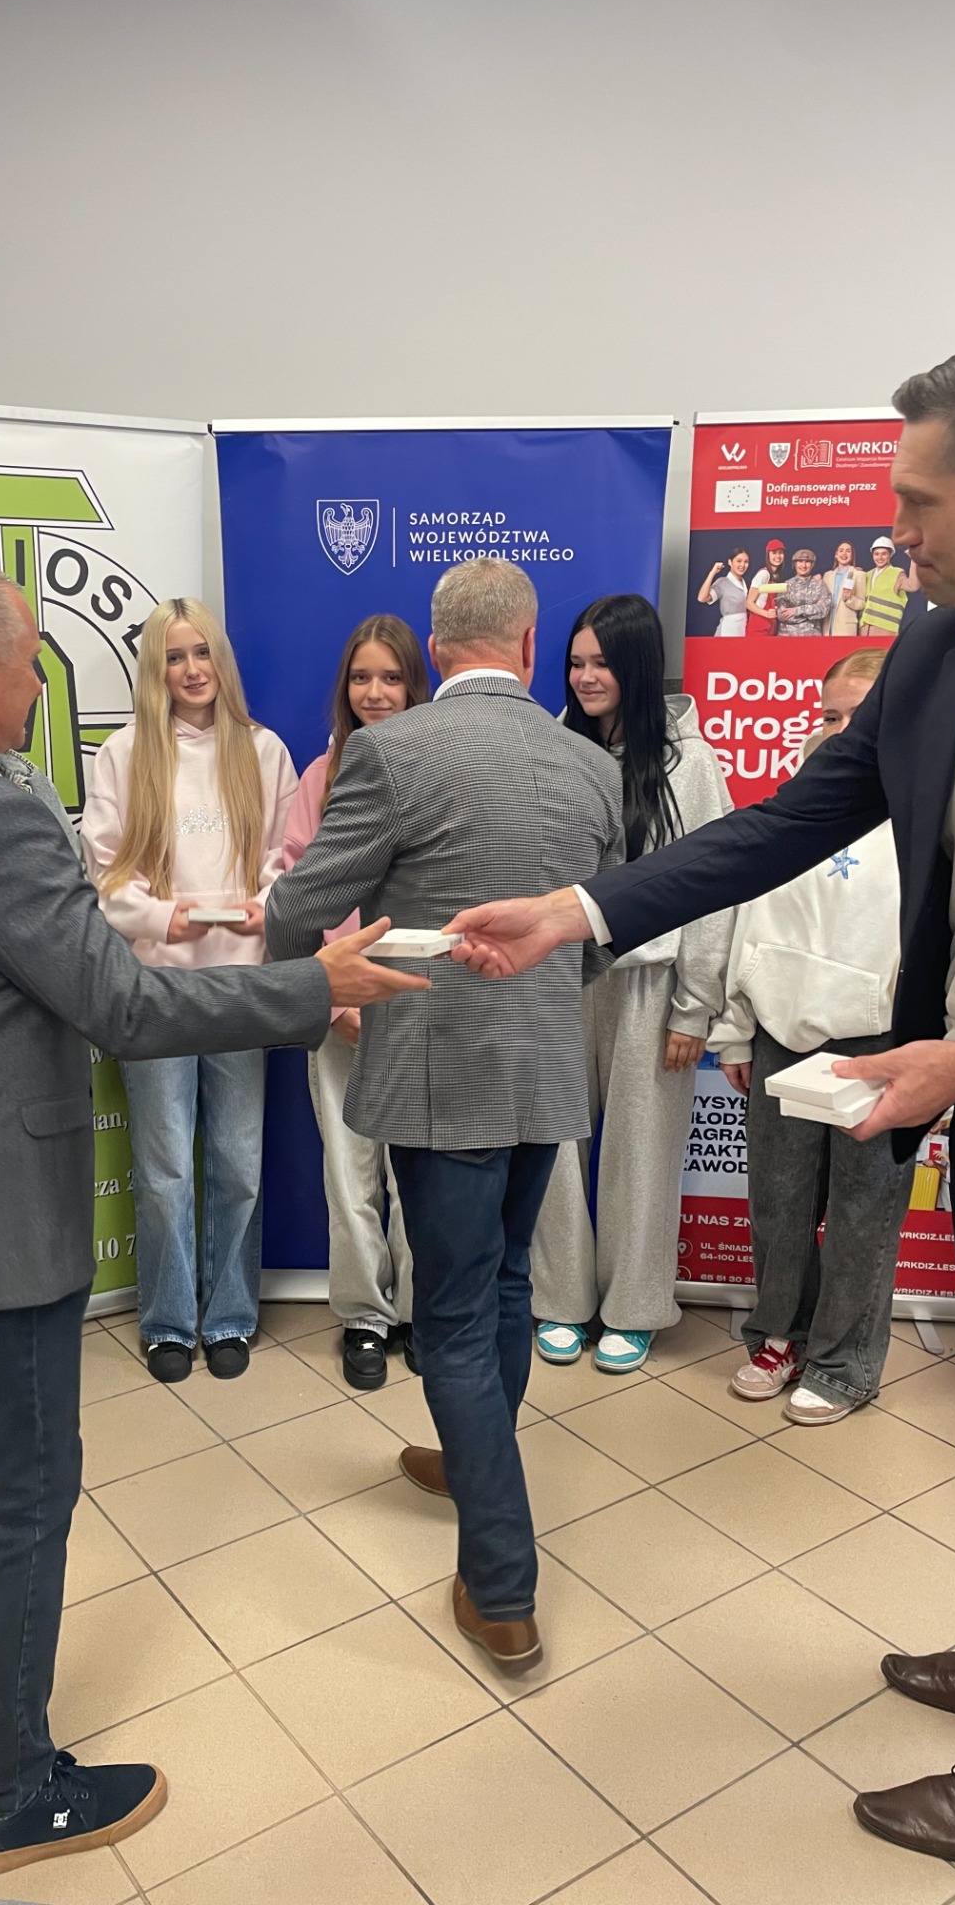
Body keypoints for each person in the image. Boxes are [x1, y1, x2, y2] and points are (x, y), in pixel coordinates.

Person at [446, 329, 955, 1866]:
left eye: (919, 502)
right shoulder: (936, 650)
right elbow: (789, 822)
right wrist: (583, 908)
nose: (893, 534)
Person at [0, 557, 425, 1877]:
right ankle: (8, 1792)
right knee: (27, 1489)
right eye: (30, 661)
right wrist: (311, 986)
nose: (40, 686)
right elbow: (124, 1007)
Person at [265, 557, 623, 1674]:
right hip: (546, 1068)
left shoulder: (391, 753)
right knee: (504, 1286)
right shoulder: (589, 764)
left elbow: (299, 907)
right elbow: (605, 925)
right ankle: (475, 1461)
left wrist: (305, 979)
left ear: (436, 647)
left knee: (459, 1316)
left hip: (439, 1074)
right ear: (528, 647)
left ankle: (501, 1587)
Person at [81, 599, 298, 1384]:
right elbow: (105, 872)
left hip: (240, 985)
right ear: (156, 669)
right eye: (175, 657)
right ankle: (169, 1323)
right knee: (166, 1167)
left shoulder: (263, 751)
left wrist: (264, 905)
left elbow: (286, 860)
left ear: (220, 660)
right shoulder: (124, 754)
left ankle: (230, 1315)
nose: (192, 669)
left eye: (202, 652)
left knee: (238, 1161)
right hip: (156, 989)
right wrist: (158, 917)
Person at [530, 596, 732, 1372]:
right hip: (558, 978)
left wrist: (695, 1008)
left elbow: (717, 888)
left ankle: (634, 1308)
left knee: (641, 1155)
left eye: (603, 664)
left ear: (639, 667)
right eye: (576, 663)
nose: (586, 678)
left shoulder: (689, 762)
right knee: (550, 1148)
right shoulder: (552, 749)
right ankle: (559, 1299)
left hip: (650, 986)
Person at [712, 648, 913, 1423]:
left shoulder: (925, 811)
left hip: (879, 1040)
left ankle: (844, 1362)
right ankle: (779, 1337)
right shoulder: (794, 801)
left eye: (861, 715)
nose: (841, 729)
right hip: (781, 1031)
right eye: (831, 713)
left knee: (864, 1210)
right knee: (780, 1200)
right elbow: (748, 917)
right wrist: (736, 1031)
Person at [282, 614, 431, 1389]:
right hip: (340, 1005)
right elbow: (296, 892)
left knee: (420, 1172)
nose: (375, 692)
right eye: (362, 677)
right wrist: (334, 997)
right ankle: (366, 1318)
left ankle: (418, 1311)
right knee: (349, 1171)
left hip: (418, 1002)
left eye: (391, 677)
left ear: (414, 685)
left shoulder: (439, 767)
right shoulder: (322, 777)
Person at [861, 534, 921, 635]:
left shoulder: (896, 573)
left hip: (885, 630)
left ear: (890, 555)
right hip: (864, 630)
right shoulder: (867, 575)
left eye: (884, 554)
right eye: (876, 554)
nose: (880, 557)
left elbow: (913, 585)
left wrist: (914, 559)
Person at [775, 547, 834, 635]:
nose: (803, 565)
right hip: (787, 637)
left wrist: (796, 611)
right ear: (794, 564)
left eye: (807, 562)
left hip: (812, 637)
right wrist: (810, 615)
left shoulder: (819, 585)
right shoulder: (786, 585)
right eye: (800, 561)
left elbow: (824, 610)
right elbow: (782, 615)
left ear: (812, 564)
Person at [695, 548, 752, 635]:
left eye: (746, 562)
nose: (742, 565)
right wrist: (712, 572)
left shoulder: (746, 583)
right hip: (728, 630)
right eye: (739, 561)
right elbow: (702, 598)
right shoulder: (723, 582)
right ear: (730, 562)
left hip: (743, 629)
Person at [823, 540, 866, 636]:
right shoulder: (827, 576)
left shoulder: (859, 574)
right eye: (841, 550)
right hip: (827, 627)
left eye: (848, 551)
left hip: (846, 628)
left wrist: (848, 599)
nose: (844, 553)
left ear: (852, 555)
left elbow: (861, 603)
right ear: (836, 554)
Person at [746, 538, 788, 635]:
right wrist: (766, 614)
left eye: (780, 552)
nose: (778, 556)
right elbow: (749, 603)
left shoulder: (776, 576)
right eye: (774, 552)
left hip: (770, 627)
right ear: (768, 554)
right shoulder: (763, 574)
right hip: (758, 627)